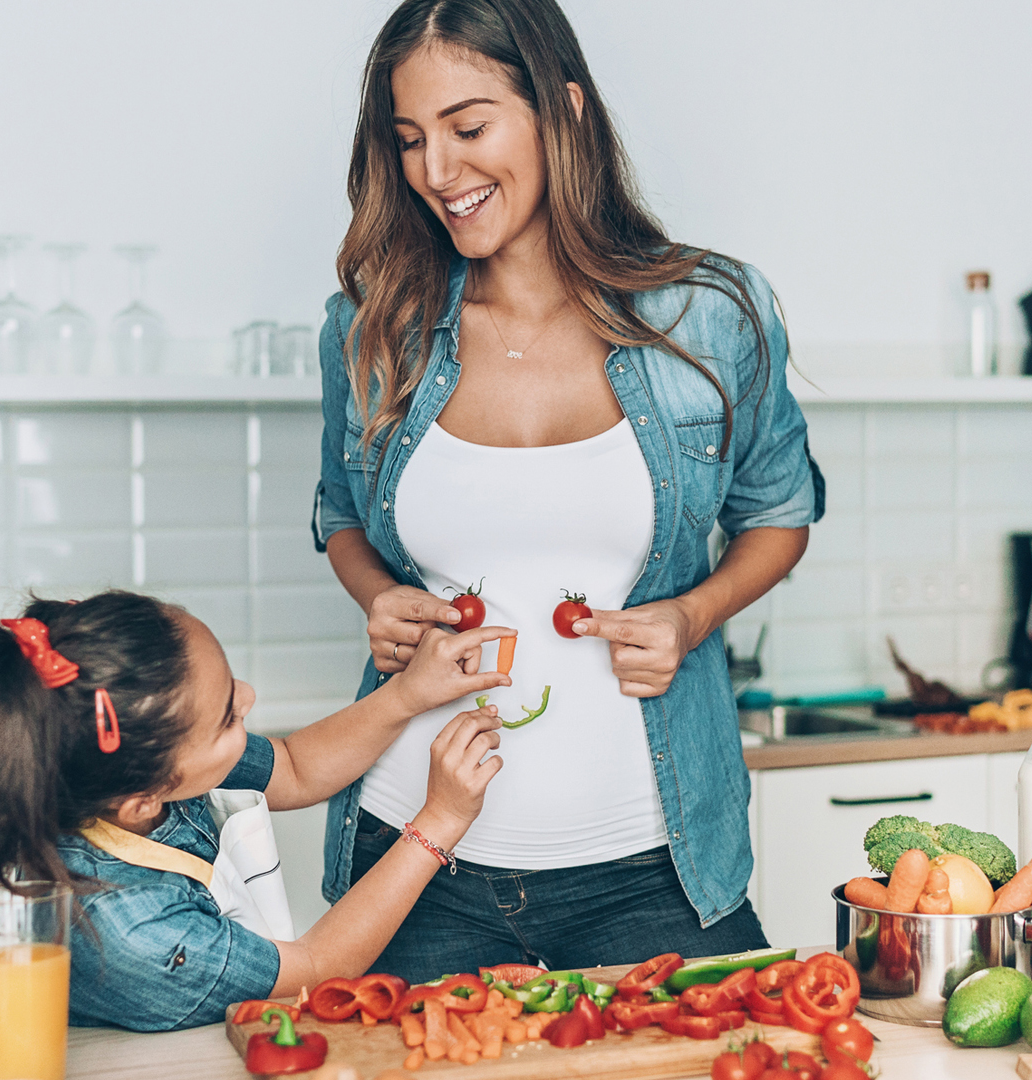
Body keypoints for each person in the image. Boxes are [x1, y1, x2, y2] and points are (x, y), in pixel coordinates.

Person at [313, 0, 825, 981]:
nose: (438, 171)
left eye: (469, 128)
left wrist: (691, 613)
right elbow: (341, 513)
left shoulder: (713, 312)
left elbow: (779, 512)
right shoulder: (369, 326)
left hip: (653, 870)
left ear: (565, 113)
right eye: (411, 139)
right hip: (415, 858)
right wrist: (379, 599)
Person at [0, 590, 515, 1031]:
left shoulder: (136, 763)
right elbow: (315, 965)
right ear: (145, 797)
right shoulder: (133, 930)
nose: (249, 699)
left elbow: (296, 766)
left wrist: (408, 693)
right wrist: (440, 822)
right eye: (230, 715)